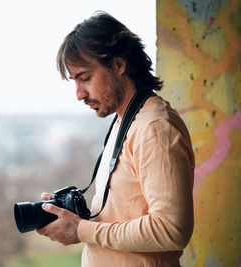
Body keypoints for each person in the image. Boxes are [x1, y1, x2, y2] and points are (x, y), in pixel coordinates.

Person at [36, 11, 195, 266]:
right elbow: (123, 212)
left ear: (118, 65)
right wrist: (71, 219)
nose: (79, 94)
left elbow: (171, 230)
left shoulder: (154, 128)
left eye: (85, 78)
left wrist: (81, 230)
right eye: (75, 82)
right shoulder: (126, 119)